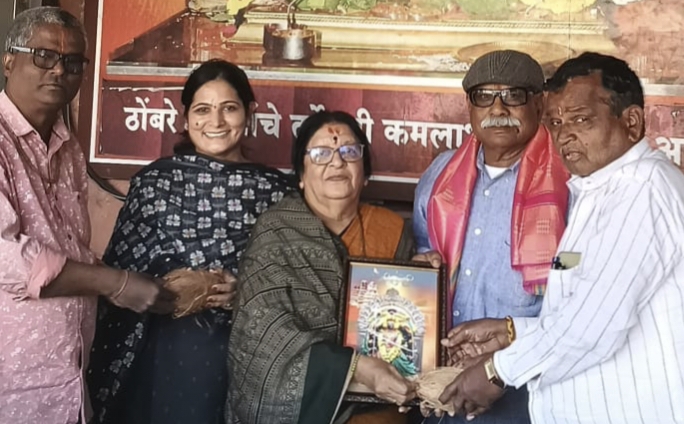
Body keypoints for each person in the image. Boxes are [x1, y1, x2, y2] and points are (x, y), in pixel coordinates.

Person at [437, 52, 684, 424]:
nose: (564, 134)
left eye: (581, 119)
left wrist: (497, 371)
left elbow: (591, 327)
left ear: (631, 122)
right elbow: (580, 295)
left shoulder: (641, 192)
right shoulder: (598, 190)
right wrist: (511, 331)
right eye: (555, 122)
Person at [86, 59, 296, 424]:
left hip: (247, 355)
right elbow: (119, 275)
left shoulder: (277, 193)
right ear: (185, 117)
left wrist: (245, 291)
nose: (216, 122)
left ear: (250, 112)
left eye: (229, 108)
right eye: (202, 110)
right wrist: (171, 284)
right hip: (160, 353)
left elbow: (294, 283)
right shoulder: (154, 184)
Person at [0, 7, 173, 424]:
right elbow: (7, 259)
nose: (59, 70)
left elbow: (70, 249)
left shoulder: (69, 148)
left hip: (66, 387)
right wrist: (115, 283)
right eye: (44, 55)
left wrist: (144, 285)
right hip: (12, 390)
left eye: (72, 62)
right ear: (8, 60)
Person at [226, 111, 416, 424]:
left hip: (380, 402)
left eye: (349, 151)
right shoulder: (276, 232)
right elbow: (262, 334)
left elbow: (411, 329)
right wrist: (355, 368)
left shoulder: (392, 231)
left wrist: (424, 272)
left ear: (365, 173)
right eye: (321, 153)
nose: (337, 162)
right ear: (301, 175)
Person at [412, 50, 569, 423]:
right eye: (484, 96)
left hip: (528, 380)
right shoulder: (440, 175)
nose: (498, 108)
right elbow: (424, 251)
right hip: (444, 378)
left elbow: (580, 267)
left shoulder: (568, 181)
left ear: (539, 103)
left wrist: (555, 263)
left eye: (513, 95)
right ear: (470, 107)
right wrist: (421, 265)